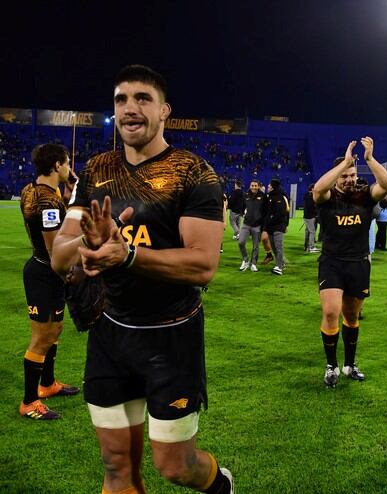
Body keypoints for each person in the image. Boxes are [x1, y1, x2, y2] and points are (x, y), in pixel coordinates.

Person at [51, 65, 233, 493]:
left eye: (142, 99)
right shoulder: (97, 169)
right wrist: (88, 250)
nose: (129, 108)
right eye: (120, 100)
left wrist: (127, 254)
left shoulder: (194, 173)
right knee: (116, 466)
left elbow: (203, 265)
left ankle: (219, 485)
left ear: (164, 110)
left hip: (172, 339)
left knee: (175, 466)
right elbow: (60, 255)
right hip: (111, 336)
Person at [313, 137, 387, 387]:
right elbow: (317, 189)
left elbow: (386, 185)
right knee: (330, 311)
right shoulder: (327, 198)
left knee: (352, 316)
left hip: (358, 263)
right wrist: (344, 162)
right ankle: (330, 366)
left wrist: (368, 159)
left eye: (352, 175)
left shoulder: (365, 196)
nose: (349, 179)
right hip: (332, 262)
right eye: (344, 176)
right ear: (337, 177)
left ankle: (349, 364)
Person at [19, 143, 80, 420]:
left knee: (54, 331)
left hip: (46, 273)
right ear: (57, 165)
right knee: (42, 338)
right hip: (45, 273)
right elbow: (57, 250)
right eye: (67, 163)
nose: (69, 168)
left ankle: (47, 384)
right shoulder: (46, 201)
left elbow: (55, 218)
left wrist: (67, 193)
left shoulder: (34, 191)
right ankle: (29, 401)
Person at [238, 179, 265, 272]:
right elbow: (241, 208)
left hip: (257, 225)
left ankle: (253, 263)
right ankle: (245, 260)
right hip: (246, 223)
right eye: (252, 185)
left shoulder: (263, 196)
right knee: (241, 242)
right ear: (250, 186)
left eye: (255, 185)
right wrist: (243, 213)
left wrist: (263, 226)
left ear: (258, 186)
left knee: (256, 246)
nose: (254, 187)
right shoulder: (246, 196)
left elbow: (266, 211)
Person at [264, 178, 290, 275]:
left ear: (273, 186)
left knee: (278, 246)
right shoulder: (269, 196)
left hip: (279, 225)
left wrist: (285, 224)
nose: (268, 187)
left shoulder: (281, 197)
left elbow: (283, 212)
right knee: (274, 247)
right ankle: (281, 263)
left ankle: (279, 267)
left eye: (269, 185)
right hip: (271, 226)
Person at [303, 183, 320, 253]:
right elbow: (310, 207)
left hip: (307, 216)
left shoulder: (307, 195)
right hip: (310, 216)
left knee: (307, 231)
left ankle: (306, 246)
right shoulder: (310, 196)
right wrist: (316, 212)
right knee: (312, 231)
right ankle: (311, 247)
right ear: (312, 189)